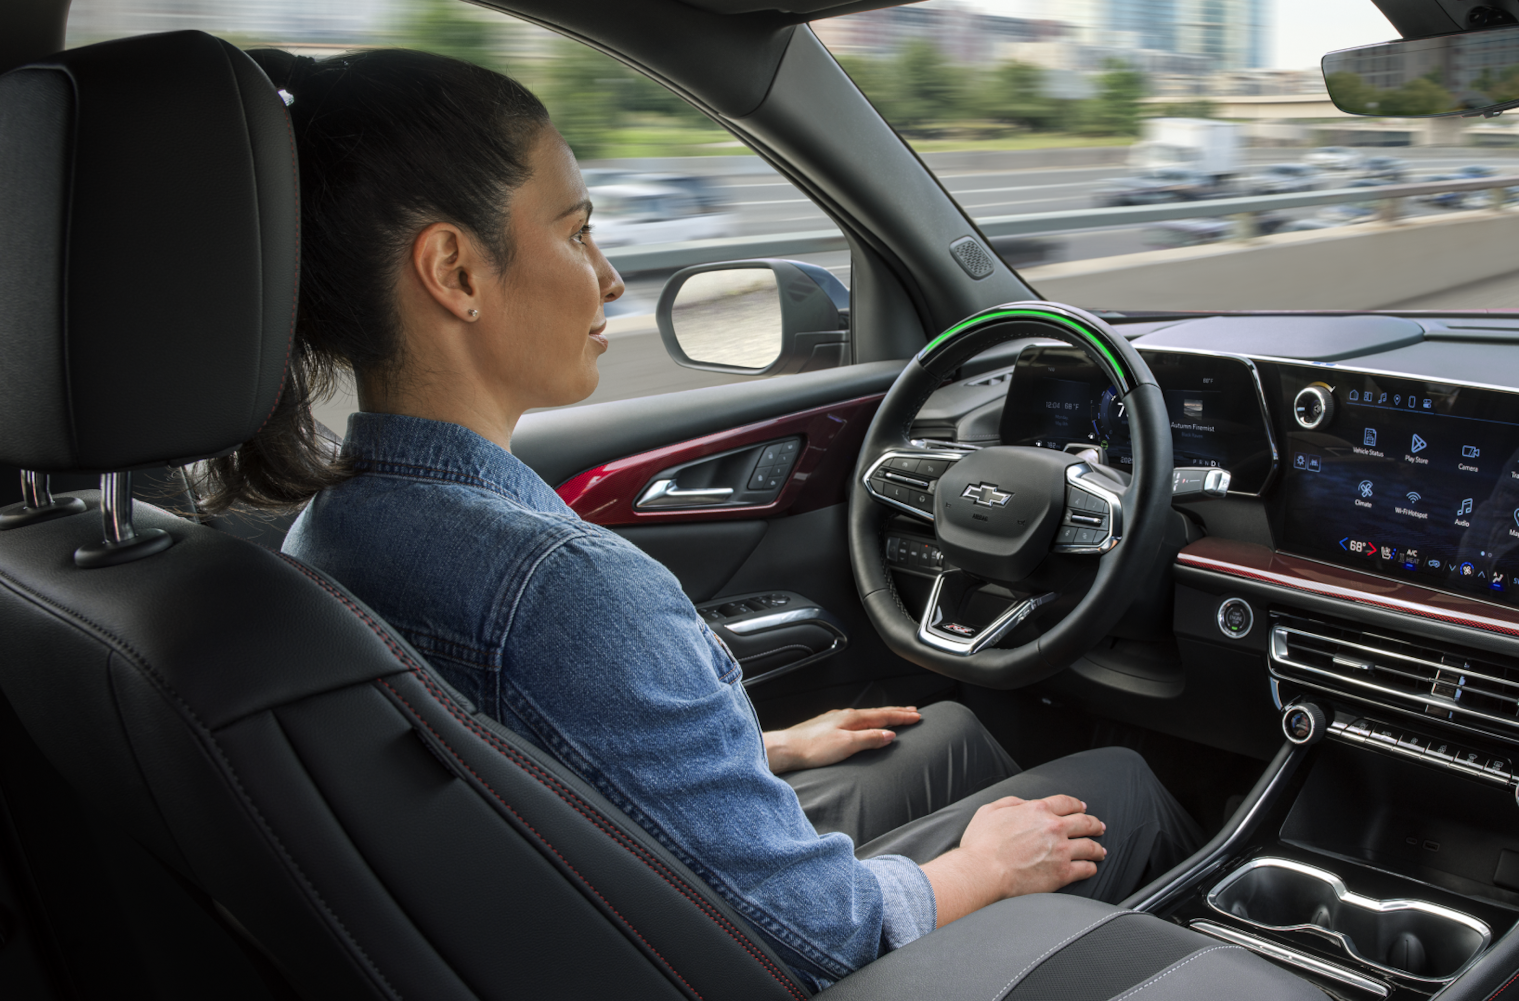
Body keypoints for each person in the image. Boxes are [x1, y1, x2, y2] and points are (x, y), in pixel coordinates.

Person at [199, 47, 1202, 989]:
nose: (609, 276)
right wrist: (983, 868)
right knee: (1117, 781)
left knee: (943, 733)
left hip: (572, 925)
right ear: (455, 272)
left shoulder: (327, 530)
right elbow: (822, 932)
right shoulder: (558, 581)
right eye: (575, 229)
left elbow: (499, 773)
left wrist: (750, 749)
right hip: (737, 959)